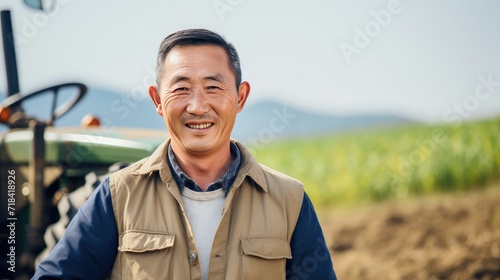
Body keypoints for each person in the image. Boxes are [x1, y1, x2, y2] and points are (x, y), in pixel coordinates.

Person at [32, 29, 337, 280]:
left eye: (213, 87)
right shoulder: (117, 196)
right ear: (157, 100)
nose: (197, 106)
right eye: (181, 89)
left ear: (241, 97)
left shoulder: (289, 200)